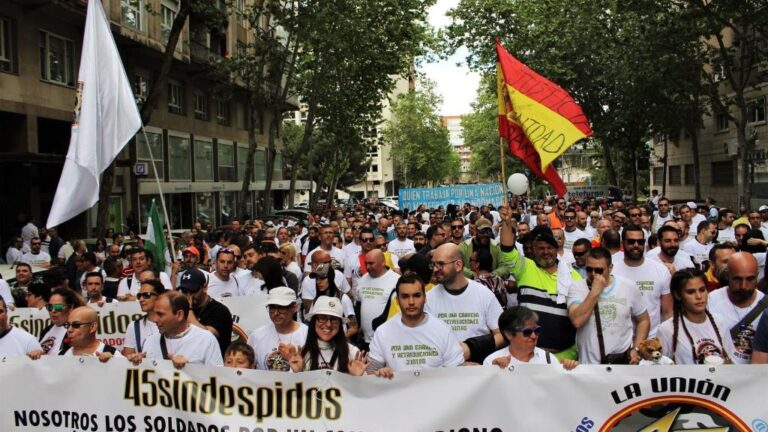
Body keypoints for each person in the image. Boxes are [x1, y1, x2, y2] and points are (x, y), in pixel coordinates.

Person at [498, 213, 582, 360]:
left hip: (564, 358)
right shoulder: (525, 268)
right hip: (528, 358)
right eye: (540, 248)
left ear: (556, 250)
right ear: (534, 250)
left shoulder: (573, 276)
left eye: (549, 248)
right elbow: (507, 250)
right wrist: (506, 222)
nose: (545, 252)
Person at [367, 274, 464, 378]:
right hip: (397, 392)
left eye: (417, 295)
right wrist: (380, 373)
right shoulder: (383, 331)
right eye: (405, 297)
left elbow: (458, 371)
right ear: (397, 300)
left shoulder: (443, 330)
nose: (411, 302)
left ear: (425, 298)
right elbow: (371, 371)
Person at [567, 247, 650, 364]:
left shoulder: (628, 287)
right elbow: (577, 321)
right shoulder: (577, 287)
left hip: (622, 362)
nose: (593, 274)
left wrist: (636, 349)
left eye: (599, 270)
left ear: (610, 268)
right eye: (589, 269)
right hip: (590, 365)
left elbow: (644, 320)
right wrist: (594, 291)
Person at [427, 243, 504, 362]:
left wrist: (472, 348)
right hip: (442, 370)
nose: (435, 269)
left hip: (477, 368)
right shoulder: (429, 298)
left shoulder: (484, 294)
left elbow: (502, 334)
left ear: (458, 265)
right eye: (433, 264)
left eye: (441, 264)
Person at [658, 268, 732, 364]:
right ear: (678, 295)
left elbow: (731, 362)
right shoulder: (667, 329)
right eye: (691, 292)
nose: (698, 296)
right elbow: (660, 368)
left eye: (702, 290)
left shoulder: (720, 321)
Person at [130, 291, 223, 368]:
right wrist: (137, 365)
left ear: (179, 315)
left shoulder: (206, 340)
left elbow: (217, 381)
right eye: (155, 314)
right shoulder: (150, 341)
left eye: (160, 314)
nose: (155, 319)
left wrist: (189, 369)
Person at [611, 224, 672, 336]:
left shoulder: (661, 270)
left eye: (640, 242)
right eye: (631, 241)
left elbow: (668, 312)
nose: (636, 245)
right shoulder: (612, 271)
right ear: (622, 244)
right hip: (620, 342)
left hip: (652, 340)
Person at [708, 252, 766, 364]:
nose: (743, 286)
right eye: (737, 279)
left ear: (758, 276)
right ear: (727, 275)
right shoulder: (711, 301)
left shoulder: (765, 308)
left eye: (750, 279)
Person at [287, 296, 368, 374]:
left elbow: (364, 387)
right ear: (313, 322)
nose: (328, 324)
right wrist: (298, 373)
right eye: (322, 318)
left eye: (334, 319)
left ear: (340, 324)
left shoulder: (353, 353)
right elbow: (293, 387)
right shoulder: (302, 353)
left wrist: (357, 378)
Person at [484, 306, 578, 370]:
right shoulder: (492, 361)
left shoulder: (548, 359)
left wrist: (569, 369)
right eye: (527, 332)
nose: (534, 336)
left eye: (537, 330)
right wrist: (495, 371)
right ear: (509, 334)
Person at [247, 287, 308, 371]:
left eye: (281, 308)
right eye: (272, 307)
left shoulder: (307, 334)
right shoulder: (257, 336)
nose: (276, 313)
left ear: (294, 308)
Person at [178, 267, 233, 357]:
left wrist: (189, 309)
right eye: (184, 291)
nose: (188, 296)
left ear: (205, 287)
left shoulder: (219, 310)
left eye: (192, 291)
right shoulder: (180, 309)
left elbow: (206, 336)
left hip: (213, 364)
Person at [358, 250, 400, 348]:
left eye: (371, 263)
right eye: (366, 263)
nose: (368, 267)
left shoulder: (396, 280)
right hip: (365, 341)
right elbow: (359, 303)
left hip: (386, 341)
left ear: (382, 262)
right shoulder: (363, 279)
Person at [122, 279, 165, 357]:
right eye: (139, 296)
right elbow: (127, 360)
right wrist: (134, 358)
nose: (141, 299)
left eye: (146, 295)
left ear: (160, 296)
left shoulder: (172, 322)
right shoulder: (134, 326)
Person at [39, 287, 86, 355]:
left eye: (58, 307)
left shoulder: (76, 331)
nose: (53, 311)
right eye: (50, 307)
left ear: (70, 308)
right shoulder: (46, 330)